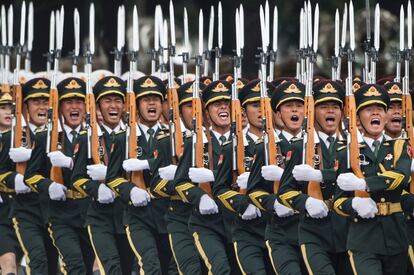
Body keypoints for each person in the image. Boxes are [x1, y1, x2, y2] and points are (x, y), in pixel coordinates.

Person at [334, 83, 411, 275]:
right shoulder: (346, 153)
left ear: (385, 117)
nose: (375, 114)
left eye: (380, 109)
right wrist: (355, 204)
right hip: (363, 239)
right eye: (368, 110)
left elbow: (401, 177)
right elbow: (338, 202)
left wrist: (365, 184)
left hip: (396, 235)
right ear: (358, 118)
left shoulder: (400, 147)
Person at [24, 77, 95, 274]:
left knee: (89, 266)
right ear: (60, 107)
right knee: (74, 265)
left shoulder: (94, 136)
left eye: (79, 102)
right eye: (68, 102)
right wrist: (49, 185)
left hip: (89, 212)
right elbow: (30, 175)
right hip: (60, 214)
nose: (74, 107)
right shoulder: (46, 135)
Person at [71, 75, 134, 274]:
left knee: (127, 268)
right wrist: (96, 188)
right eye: (107, 101)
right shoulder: (87, 137)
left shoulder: (133, 136)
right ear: (98, 107)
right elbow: (77, 178)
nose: (113, 105)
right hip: (99, 216)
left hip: (127, 214)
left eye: (117, 100)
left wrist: (111, 177)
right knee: (111, 267)